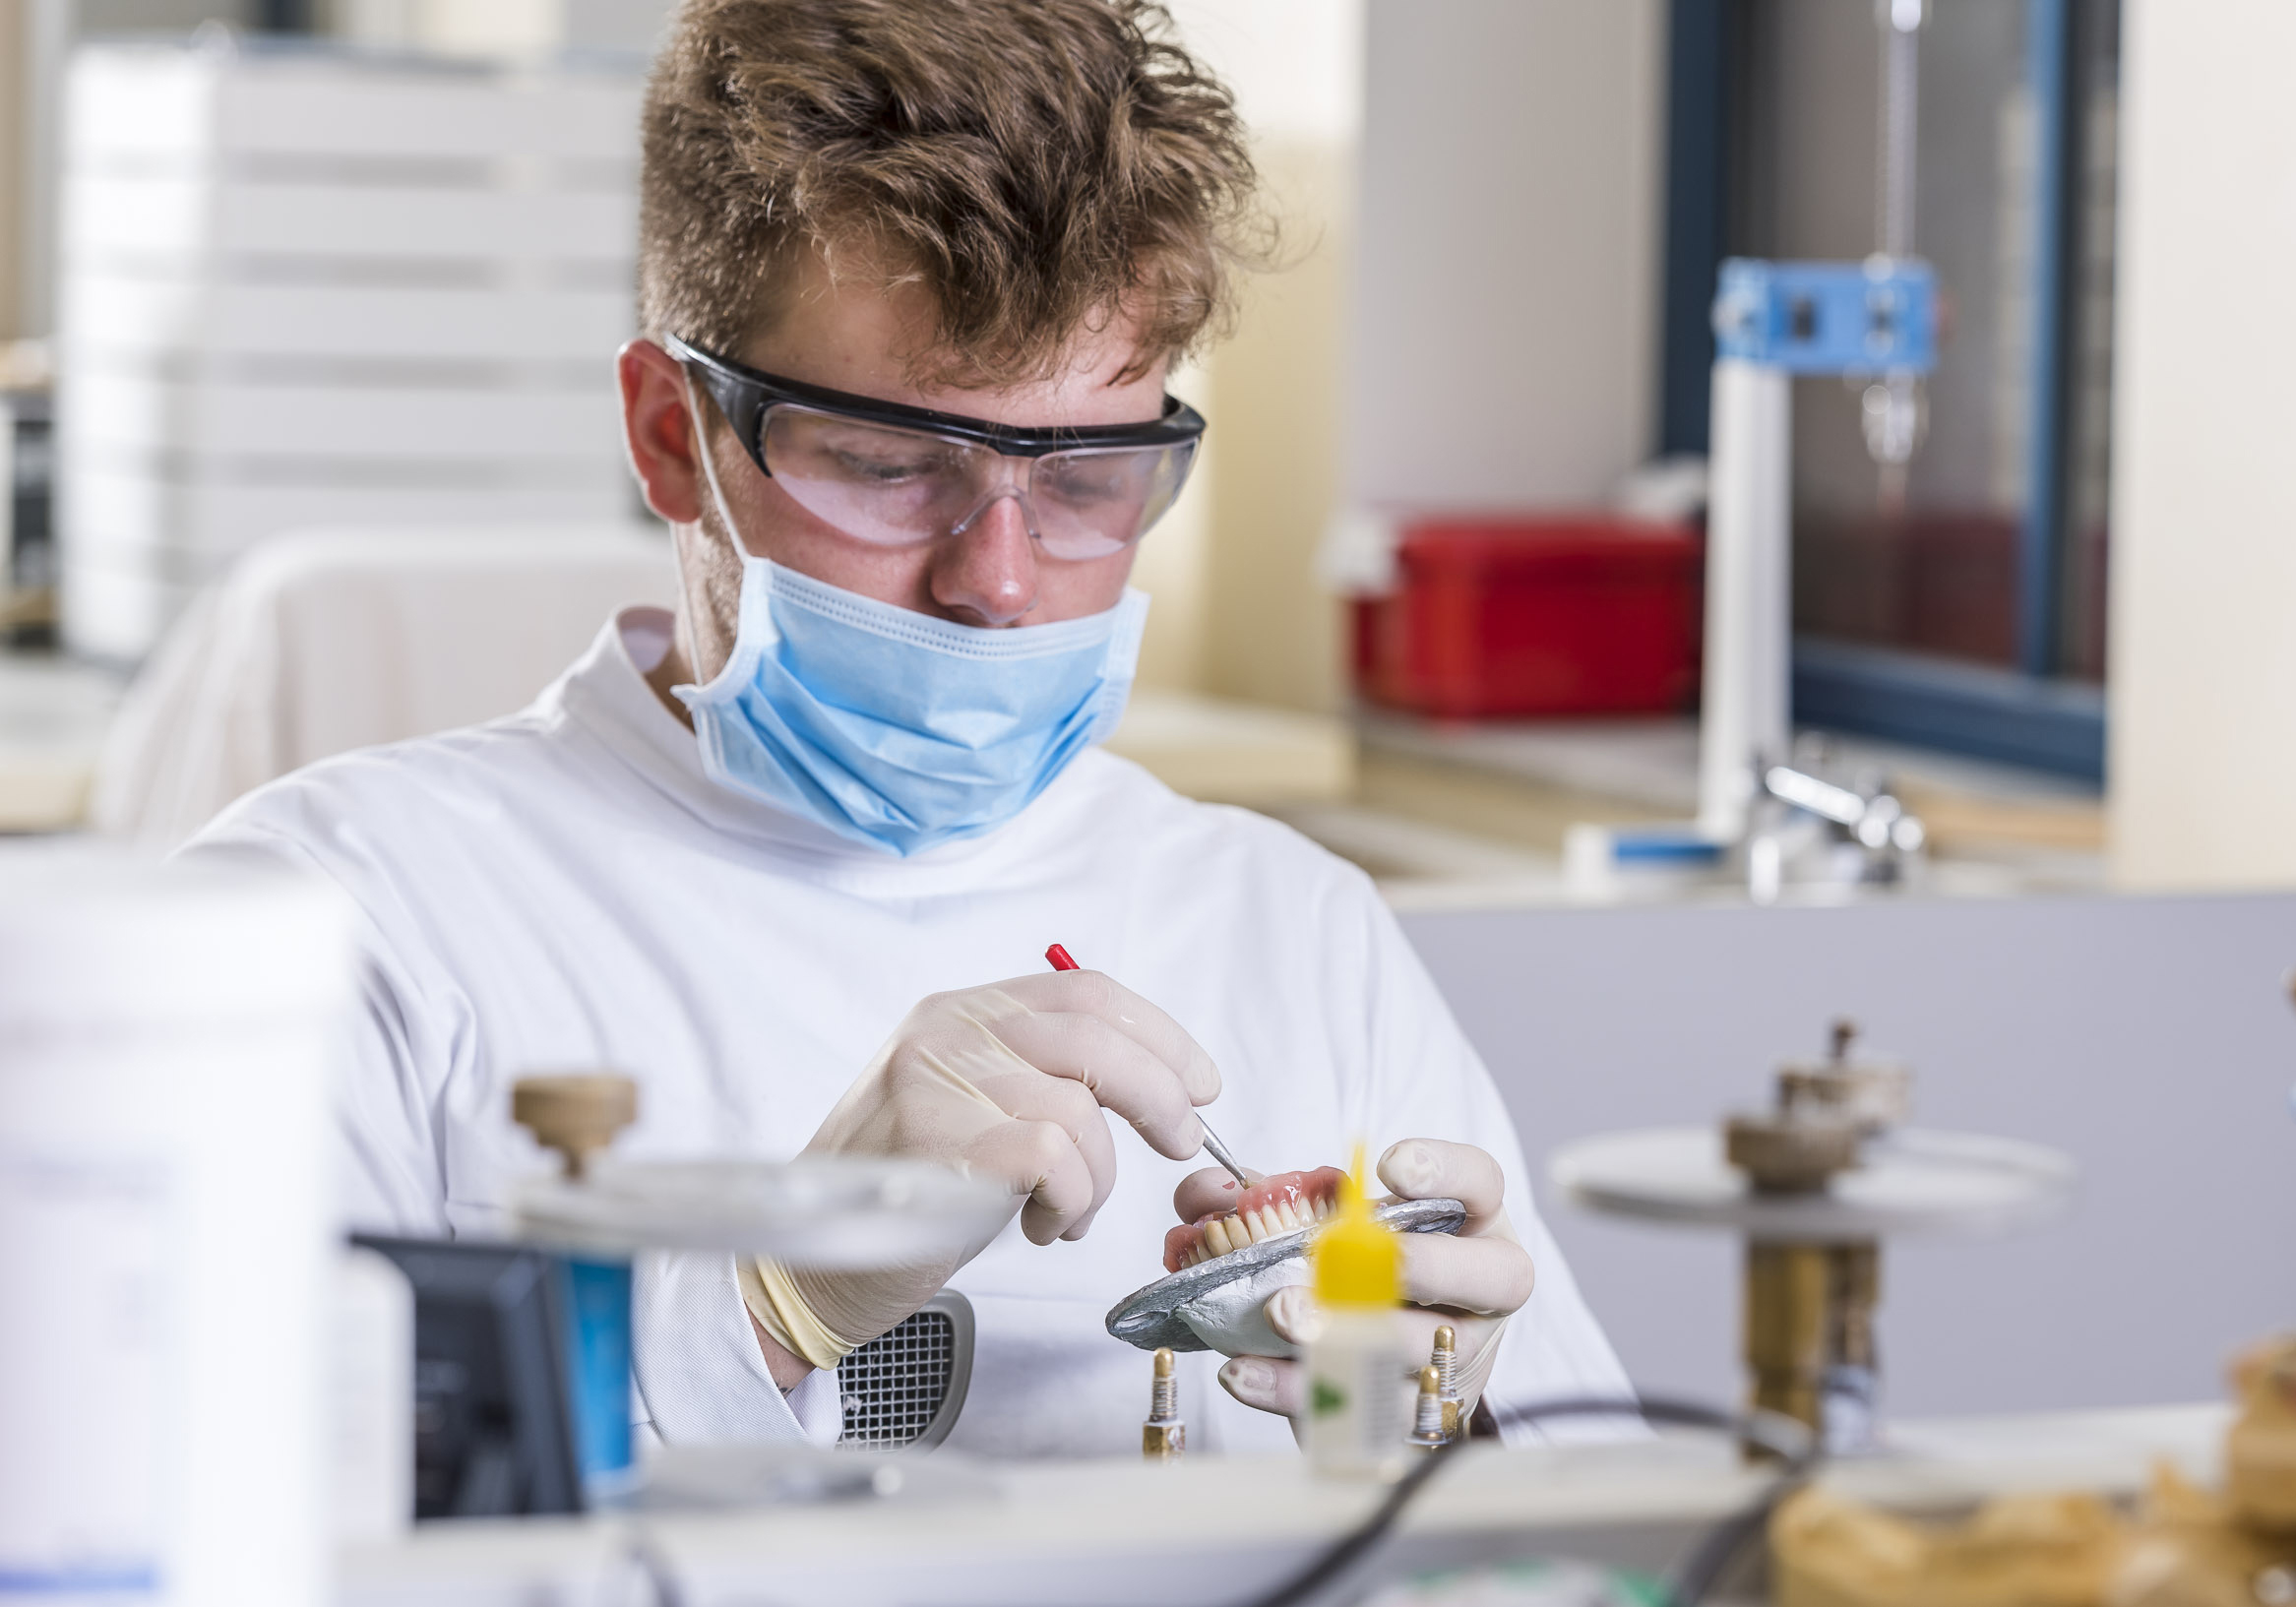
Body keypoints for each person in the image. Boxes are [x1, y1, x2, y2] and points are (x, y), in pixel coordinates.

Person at [186, 0, 1628, 1455]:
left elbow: (1603, 1518)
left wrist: (1440, 1425)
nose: (998, 581)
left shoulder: (1295, 930)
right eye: (889, 466)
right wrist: (767, 1301)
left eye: (1088, 478)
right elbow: (192, 1504)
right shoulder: (333, 922)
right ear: (672, 436)